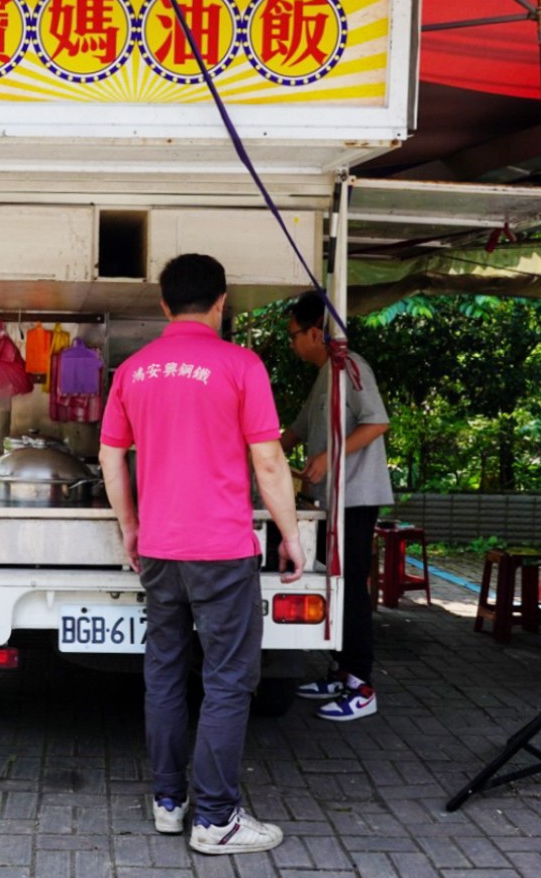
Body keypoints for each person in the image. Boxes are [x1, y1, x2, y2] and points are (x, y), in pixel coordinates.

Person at [99, 253, 304, 856]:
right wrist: (289, 536)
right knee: (228, 679)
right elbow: (268, 461)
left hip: (160, 550)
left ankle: (170, 803)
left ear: (165, 306)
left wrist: (131, 527)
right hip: (221, 550)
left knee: (163, 672)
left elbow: (113, 458)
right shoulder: (241, 365)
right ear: (221, 304)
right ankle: (215, 819)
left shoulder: (133, 370)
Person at [279, 290, 392, 722]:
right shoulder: (323, 373)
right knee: (333, 586)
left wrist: (330, 457)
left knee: (350, 589)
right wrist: (258, 451)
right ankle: (341, 670)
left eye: (293, 335)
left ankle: (362, 685)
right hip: (330, 502)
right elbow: (297, 430)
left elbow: (378, 421)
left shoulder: (350, 366)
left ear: (315, 331)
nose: (291, 343)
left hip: (356, 498)